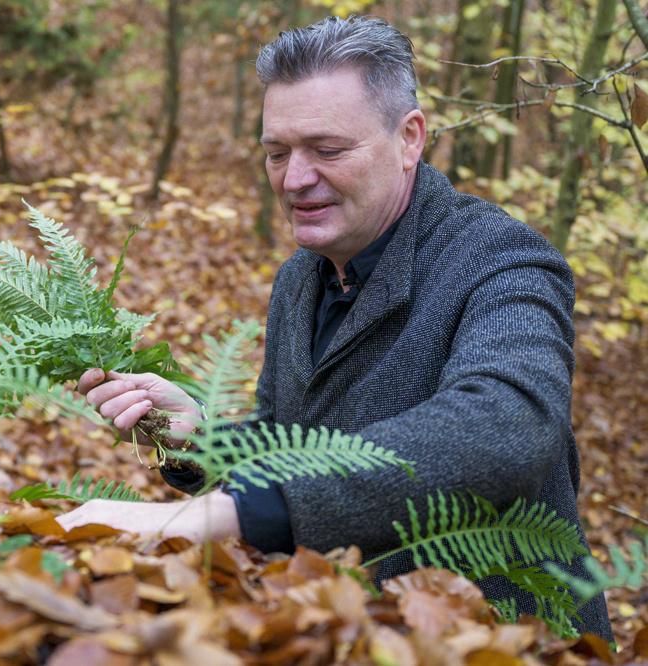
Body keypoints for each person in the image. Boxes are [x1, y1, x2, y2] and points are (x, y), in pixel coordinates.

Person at [56, 16, 612, 638]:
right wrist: (203, 440)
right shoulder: (301, 277)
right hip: (354, 636)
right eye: (277, 152)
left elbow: (509, 425)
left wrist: (231, 515)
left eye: (327, 150)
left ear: (409, 139)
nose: (294, 179)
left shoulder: (504, 261)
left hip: (511, 640)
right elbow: (295, 438)